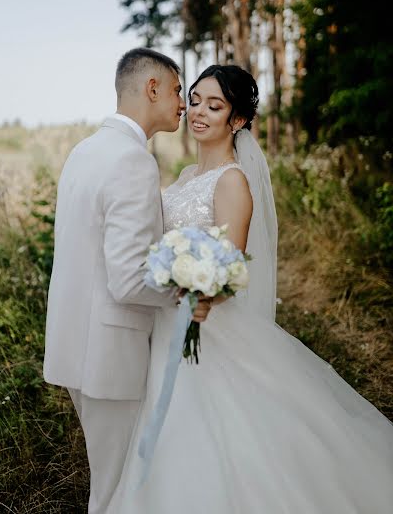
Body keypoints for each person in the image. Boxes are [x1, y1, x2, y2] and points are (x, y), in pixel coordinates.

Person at [108, 64, 393, 513]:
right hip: (165, 322)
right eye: (195, 99)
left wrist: (201, 294)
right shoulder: (183, 177)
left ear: (237, 120)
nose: (198, 111)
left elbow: (230, 267)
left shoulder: (233, 181)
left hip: (206, 326)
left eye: (214, 105)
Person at [42, 47, 212, 514]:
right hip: (108, 353)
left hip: (75, 342)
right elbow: (128, 278)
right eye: (178, 90)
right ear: (152, 88)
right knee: (117, 490)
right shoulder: (133, 161)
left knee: (113, 480)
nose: (183, 103)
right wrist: (186, 294)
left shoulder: (86, 150)